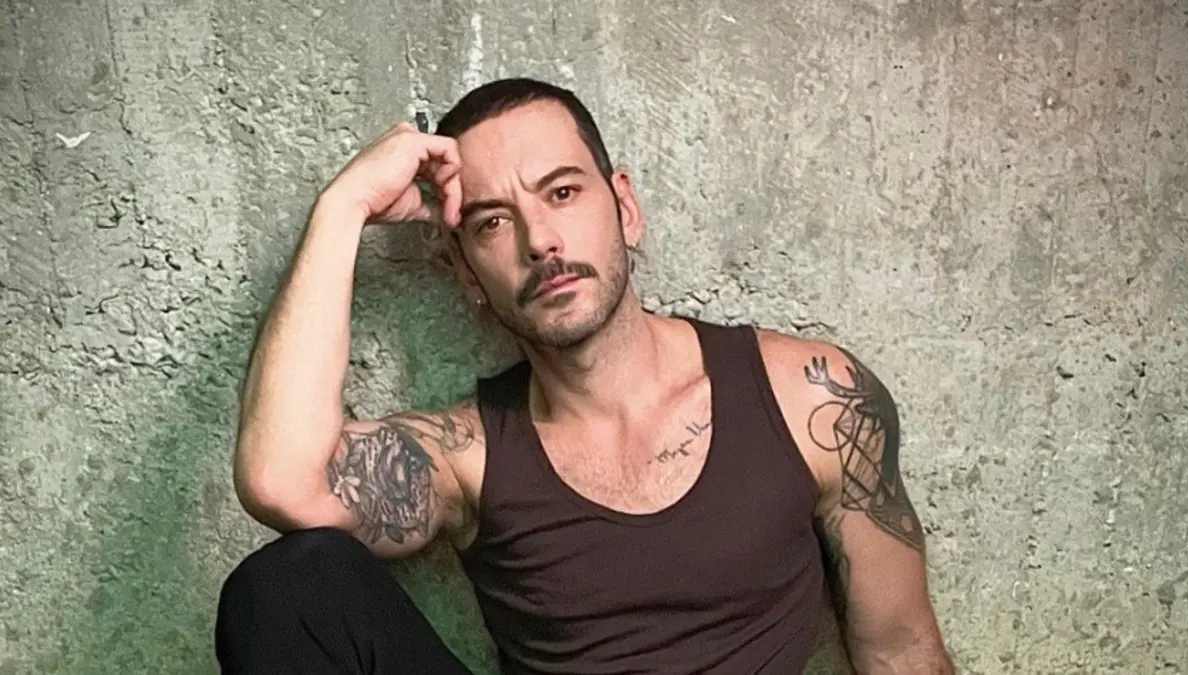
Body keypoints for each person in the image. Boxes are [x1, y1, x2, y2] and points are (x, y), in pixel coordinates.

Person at [215, 77, 955, 675]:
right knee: (292, 585)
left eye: (563, 192)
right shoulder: (470, 456)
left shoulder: (811, 398)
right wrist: (343, 208)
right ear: (467, 274)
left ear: (624, 207)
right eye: (492, 222)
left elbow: (900, 651)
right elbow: (284, 481)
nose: (541, 240)